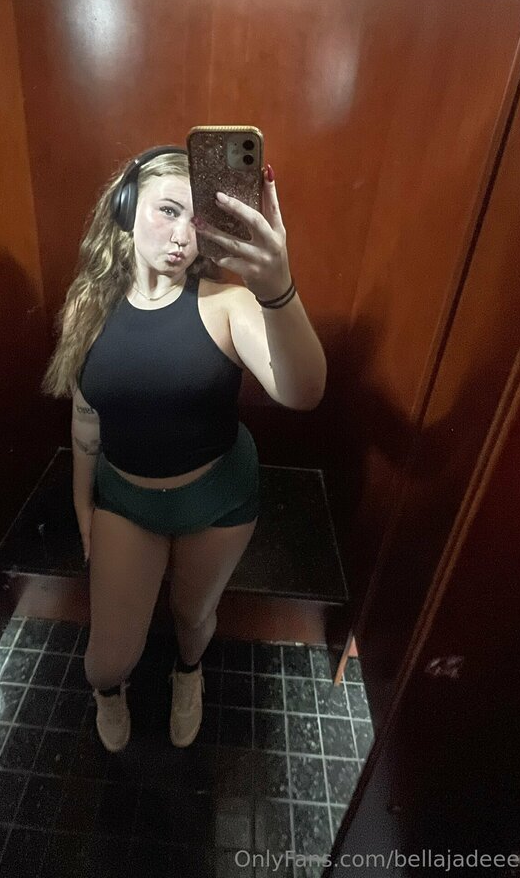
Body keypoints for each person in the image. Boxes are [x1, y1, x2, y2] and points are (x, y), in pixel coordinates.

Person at [41, 145, 327, 752]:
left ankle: (188, 672)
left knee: (193, 618)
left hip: (218, 499)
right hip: (127, 499)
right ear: (126, 207)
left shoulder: (227, 303)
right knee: (107, 659)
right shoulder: (87, 307)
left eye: (197, 222)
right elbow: (87, 415)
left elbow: (302, 392)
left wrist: (276, 288)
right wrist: (82, 503)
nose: (181, 237)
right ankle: (110, 693)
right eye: (168, 211)